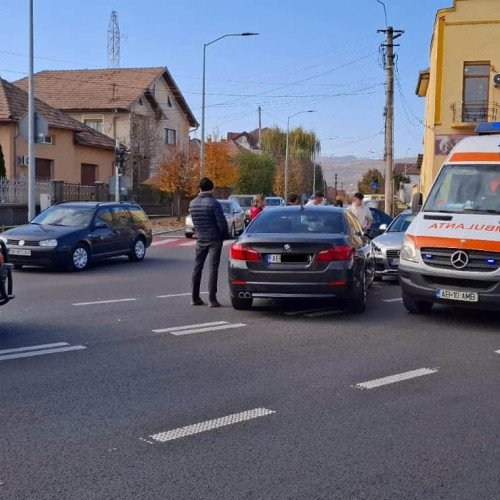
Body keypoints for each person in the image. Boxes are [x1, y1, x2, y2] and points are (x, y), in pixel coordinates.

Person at [189, 177, 229, 308]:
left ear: (200, 188)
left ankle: (194, 297)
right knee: (213, 268)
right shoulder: (214, 203)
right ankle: (212, 299)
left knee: (197, 267)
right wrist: (224, 236)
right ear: (211, 189)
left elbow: (195, 223)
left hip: (200, 238)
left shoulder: (192, 203)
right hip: (214, 239)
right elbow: (221, 223)